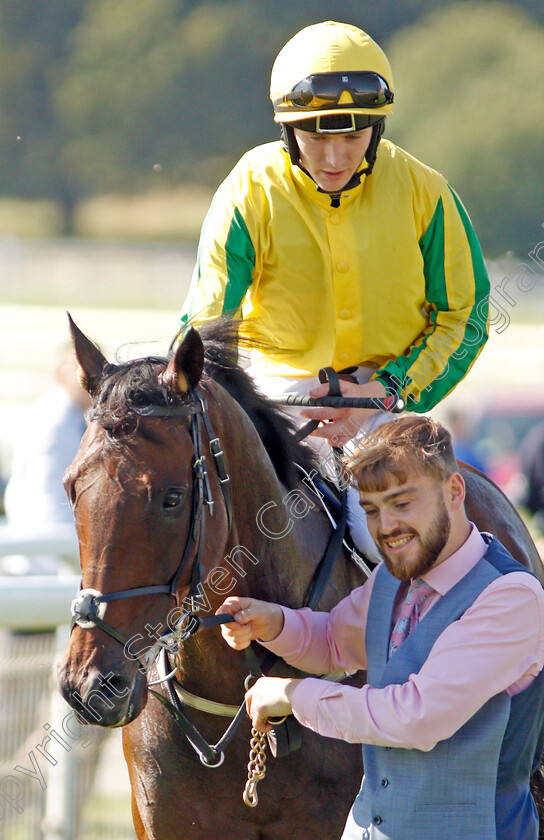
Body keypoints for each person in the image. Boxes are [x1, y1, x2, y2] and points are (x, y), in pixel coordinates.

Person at [218, 416, 544, 840]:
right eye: (371, 510)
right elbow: (335, 641)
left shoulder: (511, 596)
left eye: (402, 504)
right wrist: (275, 623)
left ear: (454, 491)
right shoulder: (393, 577)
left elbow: (416, 718)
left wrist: (293, 695)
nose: (386, 527)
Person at [180, 21, 490, 450]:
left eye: (354, 137)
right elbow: (209, 321)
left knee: (398, 516)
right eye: (313, 136)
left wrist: (388, 389)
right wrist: (230, 402)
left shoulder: (426, 190)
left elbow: (465, 313)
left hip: (388, 405)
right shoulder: (248, 188)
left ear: (376, 128)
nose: (333, 157)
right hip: (276, 400)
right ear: (288, 131)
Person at [3, 345, 90, 574]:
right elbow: (50, 496)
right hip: (45, 558)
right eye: (82, 368)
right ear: (61, 372)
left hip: (48, 551)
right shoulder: (56, 419)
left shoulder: (71, 416)